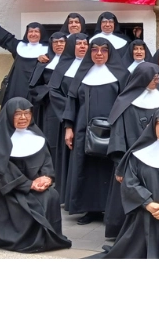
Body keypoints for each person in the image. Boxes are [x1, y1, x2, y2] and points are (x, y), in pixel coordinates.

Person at [0, 98, 71, 253]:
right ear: (9, 115)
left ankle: (43, 236)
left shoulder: (36, 136)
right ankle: (21, 237)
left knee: (51, 195)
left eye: (27, 113)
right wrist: (28, 185)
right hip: (3, 189)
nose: (23, 118)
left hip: (29, 183)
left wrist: (46, 178)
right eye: (18, 114)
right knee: (25, 204)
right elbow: (1, 172)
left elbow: (46, 162)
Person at [94, 107, 159, 259]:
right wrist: (147, 203)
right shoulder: (139, 154)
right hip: (144, 216)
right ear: (152, 126)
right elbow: (130, 182)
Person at [62, 37, 129, 225]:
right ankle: (90, 209)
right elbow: (72, 101)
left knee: (109, 168)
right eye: (95, 50)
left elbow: (126, 103)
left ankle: (110, 210)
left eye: (104, 50)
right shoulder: (82, 74)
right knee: (86, 167)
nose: (99, 54)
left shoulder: (121, 75)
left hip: (112, 130)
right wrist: (69, 128)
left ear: (110, 53)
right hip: (83, 128)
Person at [104, 62, 159, 238]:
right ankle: (122, 231)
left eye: (158, 77)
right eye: (154, 77)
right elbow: (118, 135)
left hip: (158, 155)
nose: (157, 80)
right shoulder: (125, 102)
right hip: (131, 159)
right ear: (143, 78)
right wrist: (120, 164)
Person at [47, 33, 89, 197]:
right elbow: (54, 92)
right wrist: (72, 109)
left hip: (87, 119)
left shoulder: (94, 66)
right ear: (71, 46)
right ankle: (67, 194)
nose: (83, 47)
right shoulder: (63, 66)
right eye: (79, 44)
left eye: (85, 44)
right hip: (68, 120)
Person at [0, 1, 48, 107]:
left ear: (41, 34)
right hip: (16, 88)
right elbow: (2, 34)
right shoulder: (18, 46)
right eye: (30, 31)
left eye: (36, 31)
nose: (33, 34)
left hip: (36, 92)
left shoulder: (49, 50)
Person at [28, 31, 67, 161]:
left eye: (62, 42)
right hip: (50, 106)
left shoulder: (74, 61)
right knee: (51, 137)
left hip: (67, 104)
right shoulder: (44, 62)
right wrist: (48, 91)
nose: (59, 45)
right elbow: (34, 86)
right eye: (55, 42)